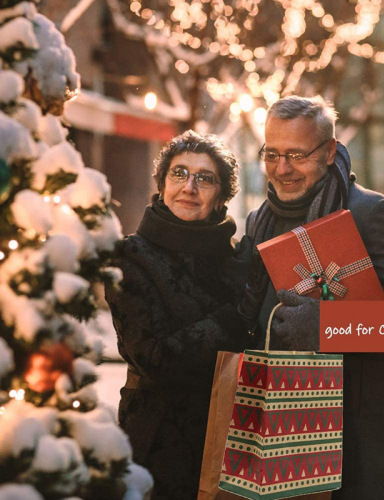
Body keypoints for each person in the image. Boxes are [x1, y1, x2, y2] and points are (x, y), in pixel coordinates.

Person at [238, 95, 384, 500]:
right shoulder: (257, 222)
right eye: (271, 153)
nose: (282, 168)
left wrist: (326, 328)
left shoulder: (372, 213)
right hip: (270, 435)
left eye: (296, 155)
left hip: (350, 449)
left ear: (328, 152)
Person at [105, 131, 249, 499]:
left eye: (205, 178)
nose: (189, 186)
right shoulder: (131, 256)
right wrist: (230, 321)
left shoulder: (236, 261)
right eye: (179, 173)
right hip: (158, 442)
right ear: (162, 184)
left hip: (234, 439)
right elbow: (153, 358)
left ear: (221, 197)